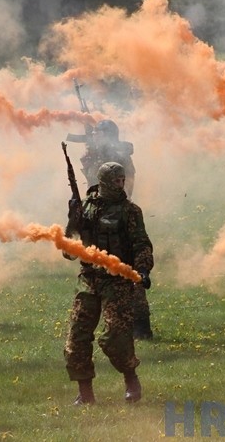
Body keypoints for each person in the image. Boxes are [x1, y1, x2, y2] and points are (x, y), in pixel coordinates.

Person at [62, 162, 153, 405]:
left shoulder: (130, 211)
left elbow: (142, 244)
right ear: (103, 182)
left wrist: (143, 269)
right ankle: (85, 393)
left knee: (115, 336)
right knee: (77, 337)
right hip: (89, 279)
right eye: (116, 181)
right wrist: (72, 220)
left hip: (118, 281)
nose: (121, 185)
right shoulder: (86, 209)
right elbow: (69, 251)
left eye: (122, 180)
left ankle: (131, 378)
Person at [71, 119, 152, 339]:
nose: (97, 136)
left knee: (131, 277)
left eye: (100, 133)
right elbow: (90, 177)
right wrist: (90, 148)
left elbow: (125, 183)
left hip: (118, 213)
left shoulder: (120, 156)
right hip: (98, 210)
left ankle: (141, 327)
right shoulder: (96, 155)